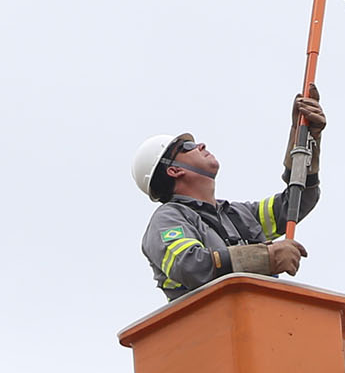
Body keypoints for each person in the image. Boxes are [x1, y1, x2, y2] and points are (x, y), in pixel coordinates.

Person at [134, 90, 327, 302]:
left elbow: (297, 203)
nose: (201, 145)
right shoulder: (169, 218)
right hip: (211, 326)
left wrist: (305, 137)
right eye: (186, 147)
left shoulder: (237, 214)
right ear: (174, 170)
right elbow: (190, 265)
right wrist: (266, 257)